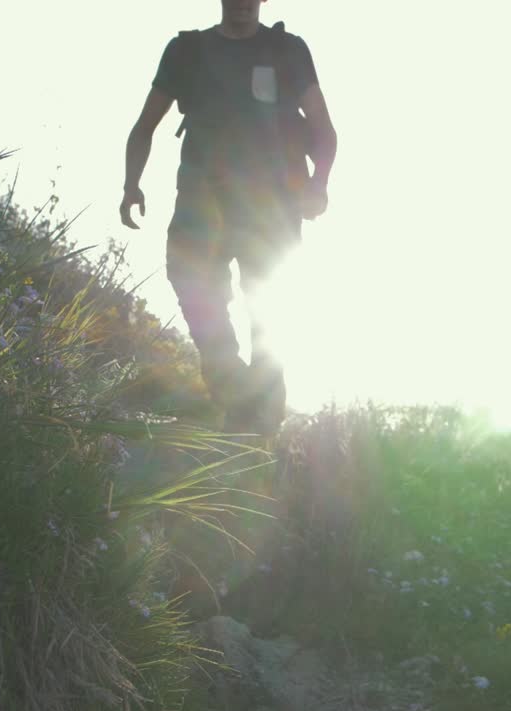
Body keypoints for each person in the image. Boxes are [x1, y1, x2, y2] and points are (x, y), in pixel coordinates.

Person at [120, 0, 337, 436]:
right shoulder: (187, 51)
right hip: (202, 202)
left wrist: (319, 184)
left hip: (269, 207)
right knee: (190, 282)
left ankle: (259, 426)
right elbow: (145, 125)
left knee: (269, 313)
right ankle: (236, 391)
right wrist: (131, 185)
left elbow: (324, 128)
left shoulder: (287, 51)